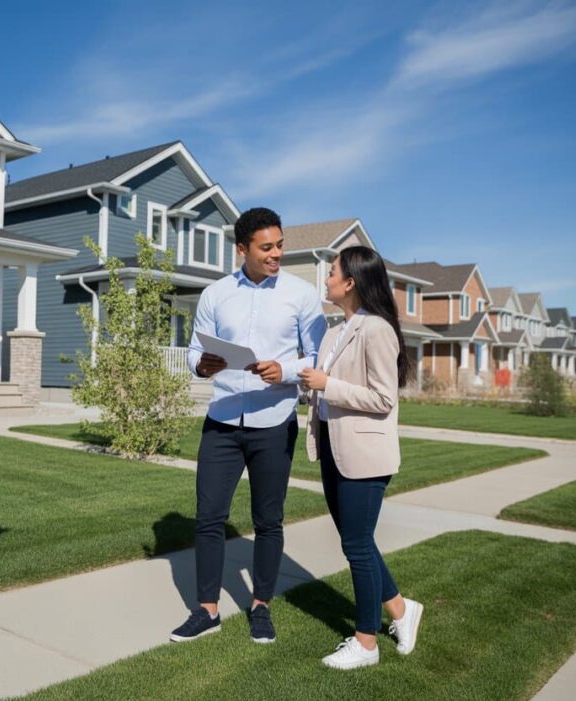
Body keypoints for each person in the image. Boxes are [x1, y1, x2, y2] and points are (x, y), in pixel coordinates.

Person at [169, 207, 327, 645]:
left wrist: (288, 369)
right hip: (221, 419)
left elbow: (318, 356)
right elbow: (193, 351)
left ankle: (261, 607)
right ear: (242, 249)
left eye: (280, 245)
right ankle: (206, 611)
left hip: (273, 421)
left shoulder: (302, 295)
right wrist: (202, 364)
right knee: (208, 517)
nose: (277, 254)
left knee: (268, 519)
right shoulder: (215, 294)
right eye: (267, 247)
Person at [299, 246, 423, 670]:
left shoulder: (377, 330)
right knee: (359, 542)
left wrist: (327, 384)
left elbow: (383, 398)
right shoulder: (336, 333)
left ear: (350, 282)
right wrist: (305, 384)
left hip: (366, 454)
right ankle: (403, 611)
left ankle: (366, 643)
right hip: (335, 448)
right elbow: (326, 387)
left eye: (331, 272)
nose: (327, 278)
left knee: (355, 544)